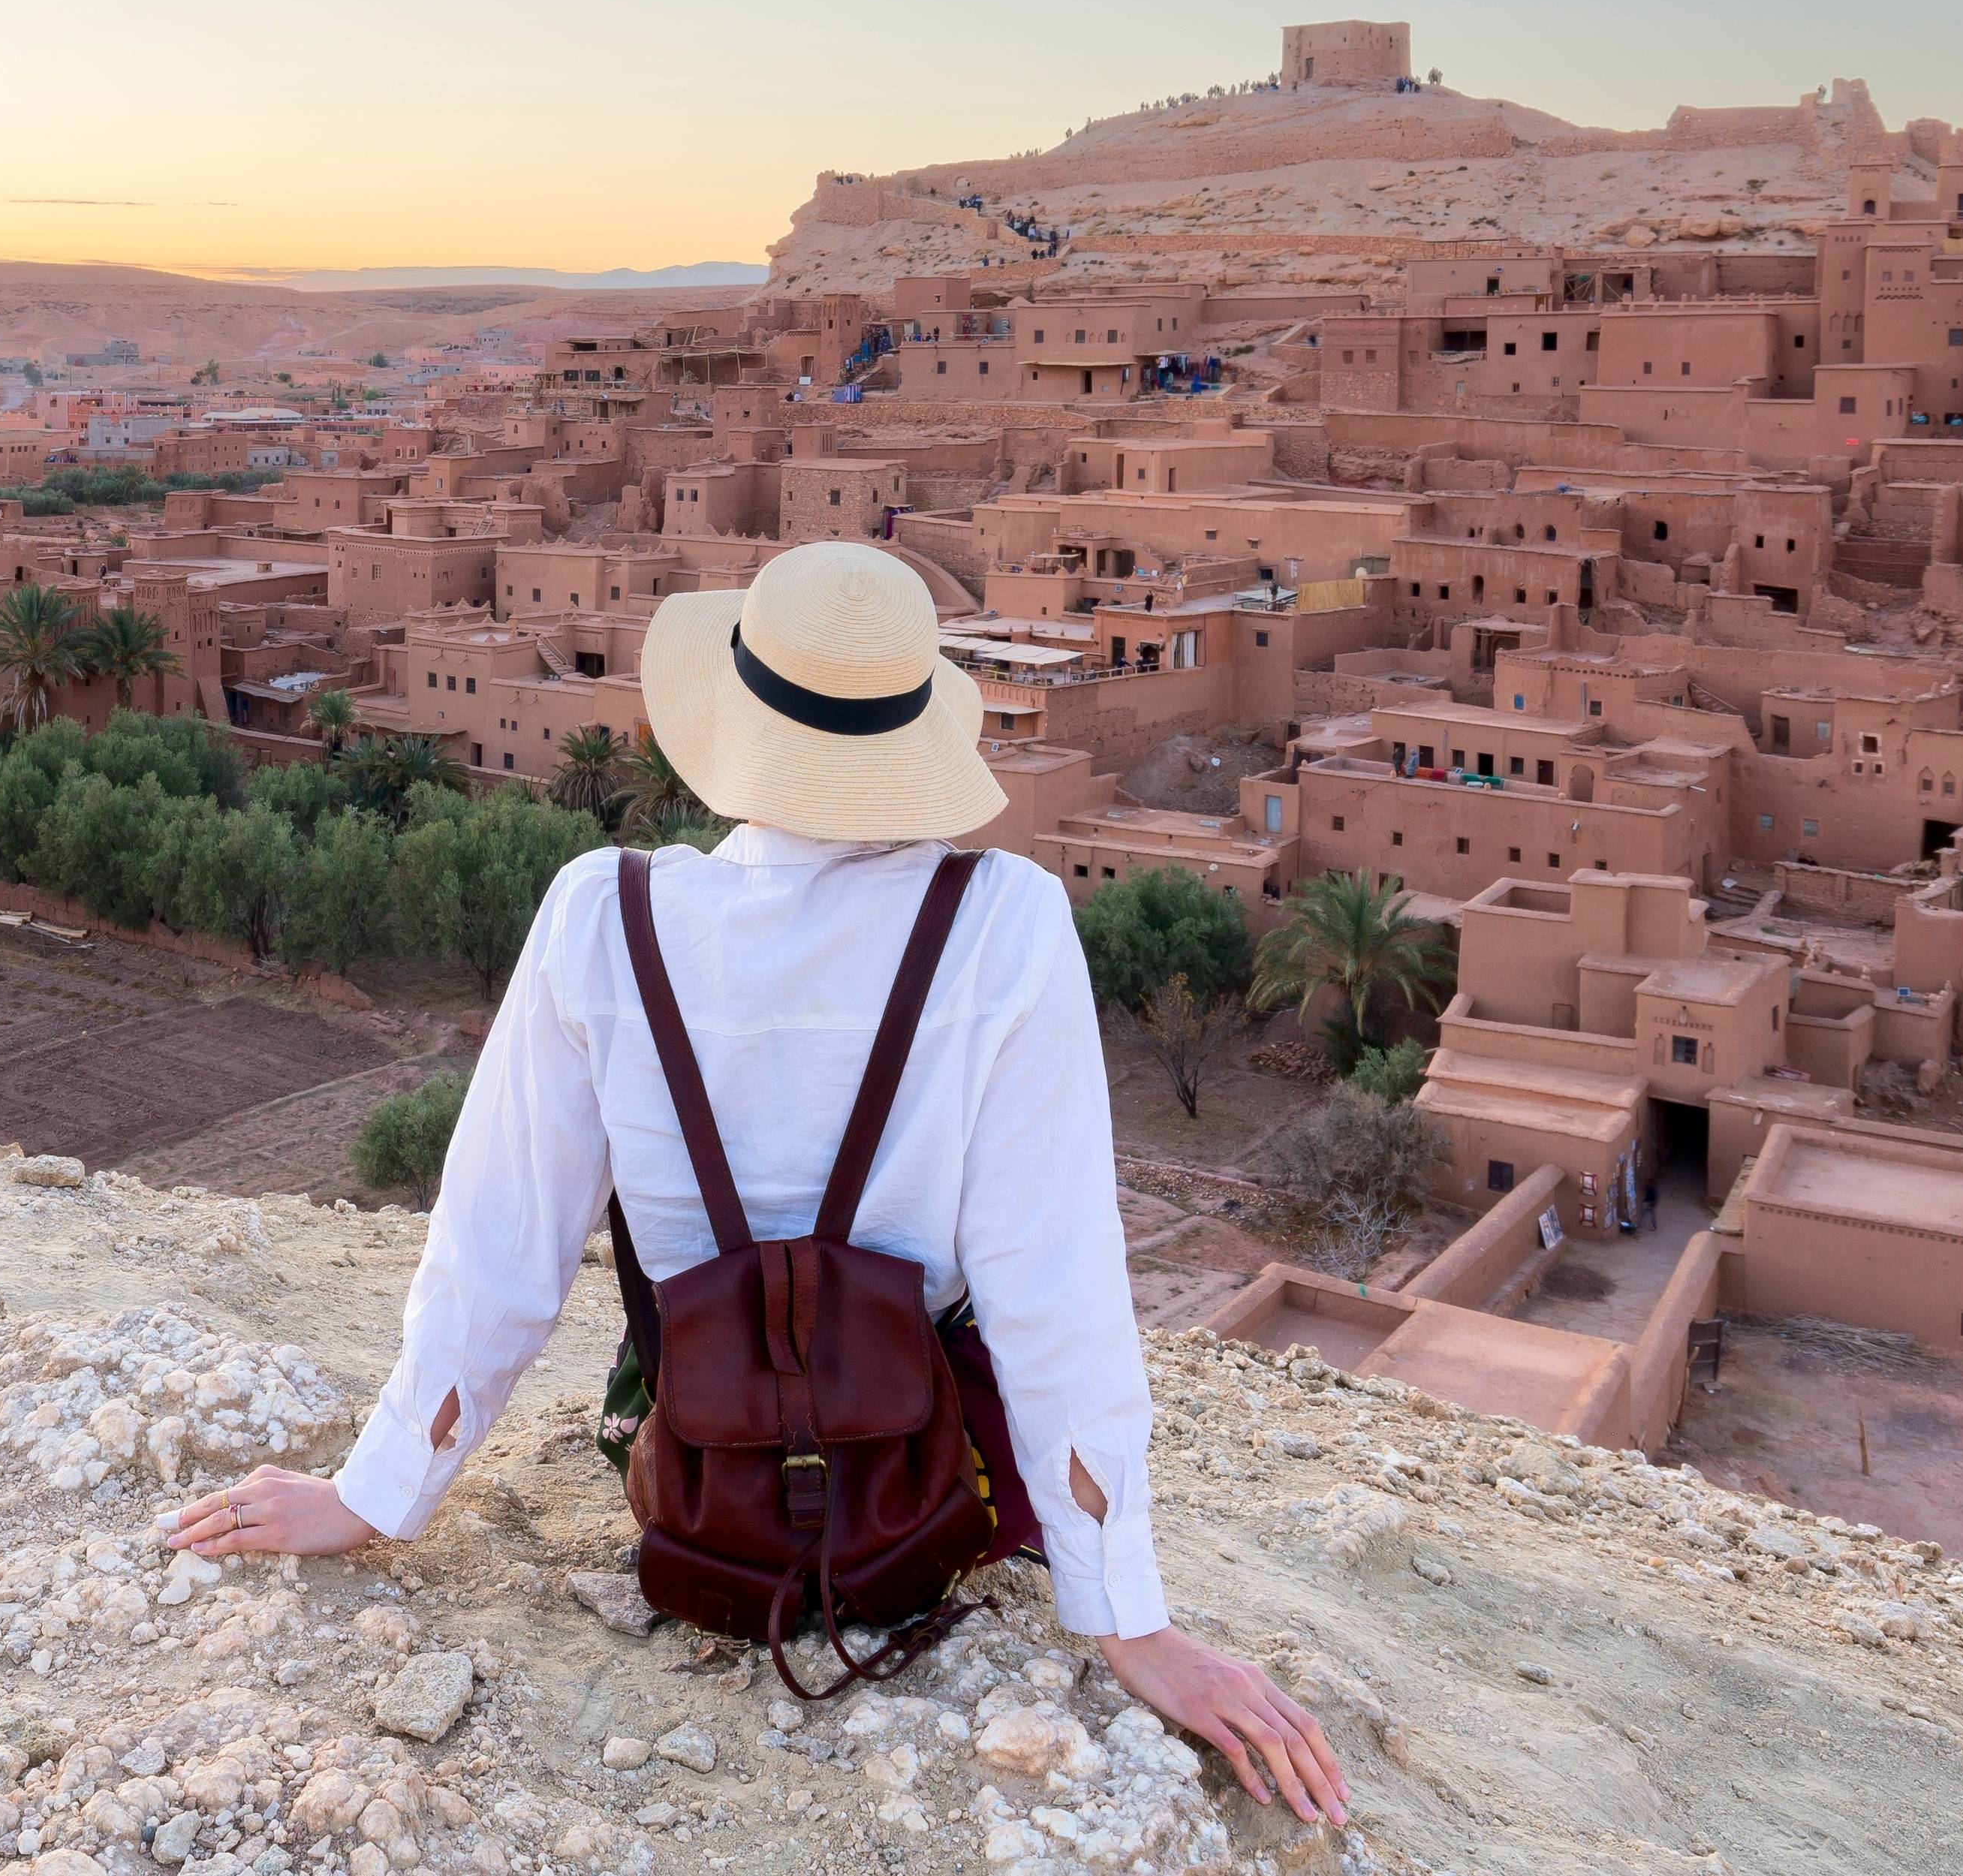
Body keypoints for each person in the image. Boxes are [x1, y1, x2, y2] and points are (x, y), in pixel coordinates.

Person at [164, 542, 1351, 1826]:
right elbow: (1051, 1281)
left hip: (690, 1466)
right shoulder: (1007, 919)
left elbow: (501, 1243)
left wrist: (375, 1493)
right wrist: (1128, 1616)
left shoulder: (599, 913)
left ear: (735, 721)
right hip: (928, 1489)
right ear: (916, 731)